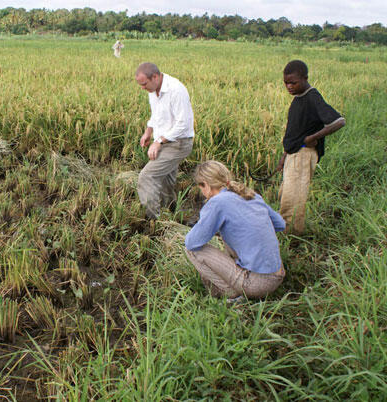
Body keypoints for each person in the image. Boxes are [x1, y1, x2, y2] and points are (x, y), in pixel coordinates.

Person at [184, 161, 286, 300]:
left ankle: (231, 293)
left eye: (201, 187)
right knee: (231, 231)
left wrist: (209, 224)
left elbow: (192, 242)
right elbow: (280, 224)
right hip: (277, 275)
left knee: (192, 251)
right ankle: (243, 277)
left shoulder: (217, 202)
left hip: (257, 284)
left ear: (206, 185)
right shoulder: (251, 195)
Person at [278, 60, 346, 234]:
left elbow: (338, 121)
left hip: (303, 154)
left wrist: (313, 137)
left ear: (305, 78)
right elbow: (295, 130)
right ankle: (286, 233)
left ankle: (291, 237)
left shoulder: (312, 97)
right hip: (293, 153)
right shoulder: (298, 99)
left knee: (294, 199)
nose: (289, 86)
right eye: (286, 82)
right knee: (285, 196)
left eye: (293, 82)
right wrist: (284, 155)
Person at [135, 62, 194, 219]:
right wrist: (148, 131)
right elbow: (156, 115)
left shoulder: (176, 90)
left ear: (155, 77)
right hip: (166, 141)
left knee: (147, 176)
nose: (142, 88)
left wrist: (159, 141)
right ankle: (173, 214)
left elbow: (184, 124)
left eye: (144, 84)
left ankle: (152, 221)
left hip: (179, 143)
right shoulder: (153, 90)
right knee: (166, 181)